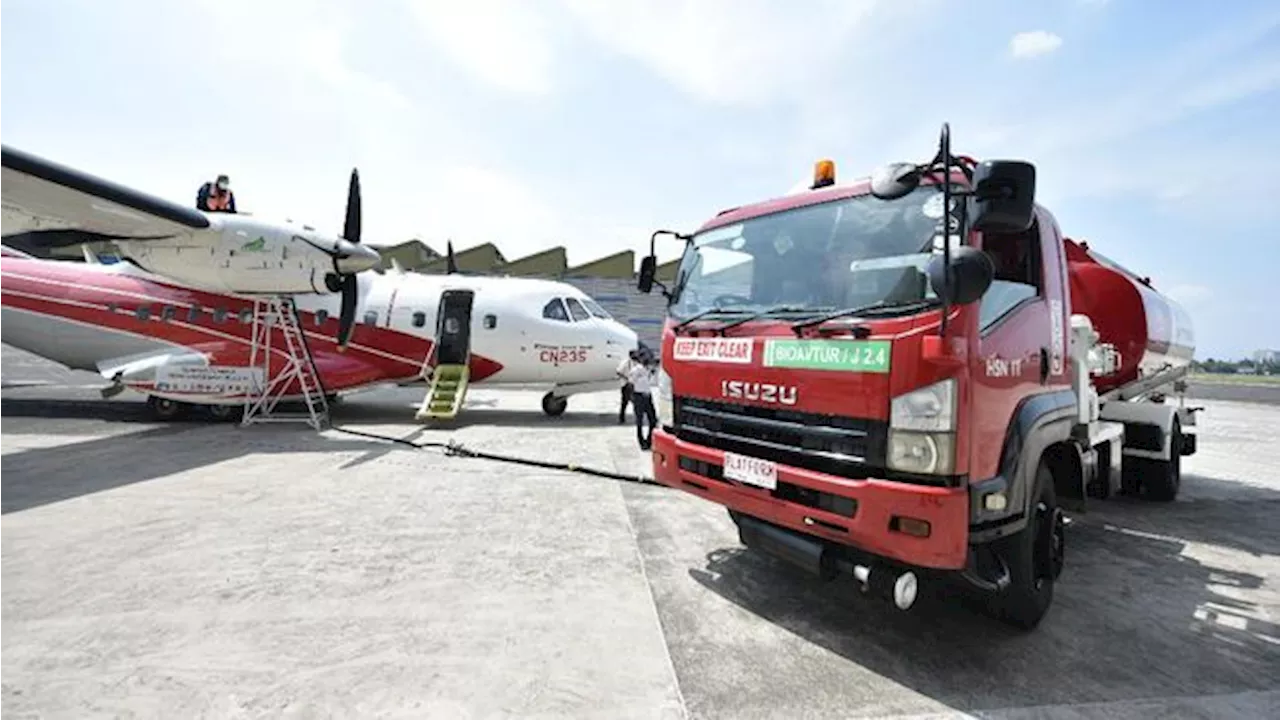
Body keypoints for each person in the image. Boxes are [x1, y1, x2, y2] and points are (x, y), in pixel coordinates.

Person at [628, 354, 658, 450]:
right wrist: (632, 398)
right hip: (639, 396)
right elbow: (631, 383)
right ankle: (642, 442)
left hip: (648, 396)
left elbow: (652, 382)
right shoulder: (636, 370)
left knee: (653, 420)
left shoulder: (649, 370)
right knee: (639, 421)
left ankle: (649, 441)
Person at [616, 349, 640, 424]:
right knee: (624, 403)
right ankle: (621, 418)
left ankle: (638, 418)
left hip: (634, 385)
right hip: (626, 384)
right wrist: (626, 378)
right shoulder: (625, 363)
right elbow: (618, 372)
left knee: (636, 402)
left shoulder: (637, 362)